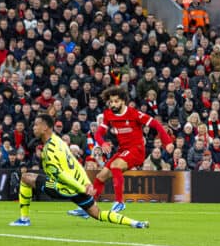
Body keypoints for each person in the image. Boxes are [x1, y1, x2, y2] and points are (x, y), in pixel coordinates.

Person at [9, 114, 149, 229]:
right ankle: (135, 223)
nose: (33, 128)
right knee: (97, 213)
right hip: (77, 187)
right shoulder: (59, 141)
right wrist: (87, 184)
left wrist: (82, 187)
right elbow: (76, 164)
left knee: (26, 178)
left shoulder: (49, 150)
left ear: (45, 127)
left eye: (36, 125)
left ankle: (24, 219)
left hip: (61, 188)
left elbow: (62, 176)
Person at [69, 86, 173, 217]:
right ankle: (89, 209)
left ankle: (119, 201)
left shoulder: (134, 113)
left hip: (137, 150)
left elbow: (156, 125)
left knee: (115, 165)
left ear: (123, 101)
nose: (113, 104)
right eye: (111, 101)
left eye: (116, 101)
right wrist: (102, 143)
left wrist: (167, 142)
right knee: (100, 177)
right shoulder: (108, 114)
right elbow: (98, 134)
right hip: (123, 150)